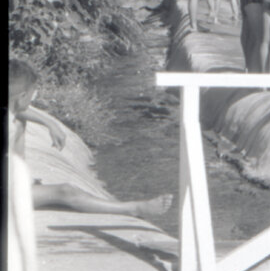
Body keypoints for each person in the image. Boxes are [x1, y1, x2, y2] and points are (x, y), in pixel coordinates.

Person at [9, 61, 172, 220]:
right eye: (33, 95)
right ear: (22, 96)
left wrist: (50, 123)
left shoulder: (12, 109)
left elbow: (20, 110)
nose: (33, 100)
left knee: (20, 122)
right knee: (66, 192)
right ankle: (133, 209)